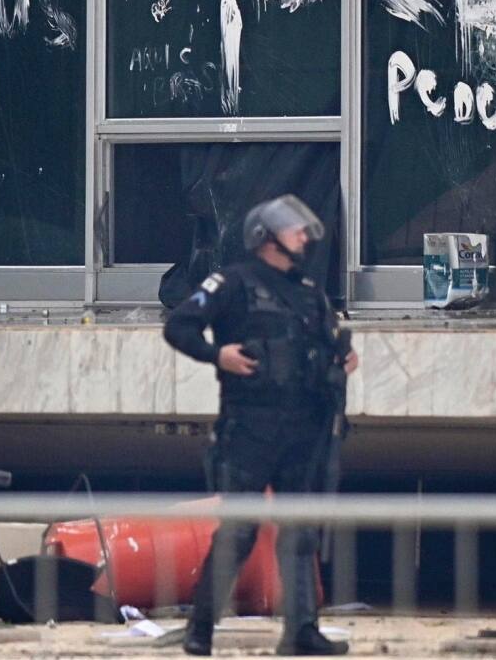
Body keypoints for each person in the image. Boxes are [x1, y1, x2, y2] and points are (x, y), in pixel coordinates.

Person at [163, 194, 359, 657]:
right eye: (293, 231)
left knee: (300, 530)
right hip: (249, 429)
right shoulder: (232, 282)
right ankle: (200, 629)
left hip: (303, 431)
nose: (303, 238)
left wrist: (341, 360)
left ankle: (302, 631)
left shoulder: (310, 292)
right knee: (239, 530)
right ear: (267, 239)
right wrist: (218, 355)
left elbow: (318, 350)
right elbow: (180, 326)